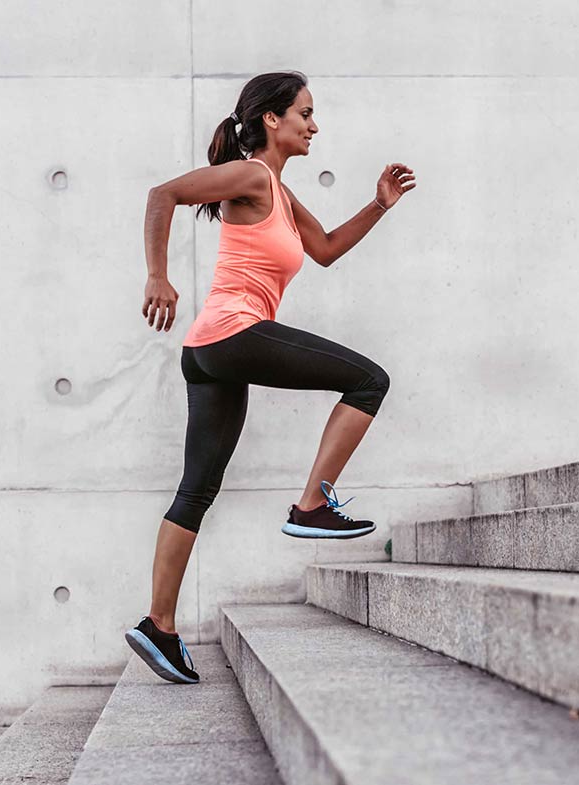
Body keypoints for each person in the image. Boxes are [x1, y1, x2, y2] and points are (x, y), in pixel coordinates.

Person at [125, 71, 417, 684]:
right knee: (368, 380)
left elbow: (328, 248)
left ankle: (159, 625)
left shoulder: (279, 193)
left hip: (209, 352)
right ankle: (312, 503)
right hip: (230, 337)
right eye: (305, 113)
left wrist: (380, 206)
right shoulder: (253, 174)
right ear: (271, 121)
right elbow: (162, 194)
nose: (315, 125)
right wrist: (157, 275)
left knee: (196, 489)